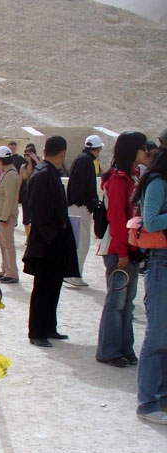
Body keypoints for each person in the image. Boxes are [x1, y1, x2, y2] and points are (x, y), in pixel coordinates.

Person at [96, 131, 148, 368]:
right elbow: (117, 217)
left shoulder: (134, 176)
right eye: (142, 147)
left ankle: (125, 347)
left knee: (128, 302)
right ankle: (109, 350)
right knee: (116, 302)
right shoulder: (118, 179)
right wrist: (123, 251)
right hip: (119, 248)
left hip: (131, 246)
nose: (146, 152)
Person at [22, 136, 80, 347]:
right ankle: (37, 331)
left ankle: (49, 327)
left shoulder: (49, 173)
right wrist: (52, 237)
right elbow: (39, 212)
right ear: (62, 153)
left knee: (53, 285)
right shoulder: (43, 174)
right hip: (47, 243)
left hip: (53, 242)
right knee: (43, 288)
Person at [135, 127, 167, 424]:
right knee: (157, 334)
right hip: (161, 263)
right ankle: (147, 403)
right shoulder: (157, 182)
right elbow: (153, 218)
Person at [65, 135, 105, 287]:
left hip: (77, 207)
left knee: (78, 242)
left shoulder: (82, 159)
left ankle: (73, 273)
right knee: (81, 242)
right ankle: (74, 274)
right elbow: (79, 187)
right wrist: (88, 204)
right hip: (79, 207)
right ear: (97, 149)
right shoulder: (86, 162)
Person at [0, 145, 22, 283]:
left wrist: (4, 217)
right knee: (3, 243)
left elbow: (10, 198)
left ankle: (12, 273)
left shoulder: (10, 175)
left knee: (8, 244)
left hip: (7, 215)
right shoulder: (7, 172)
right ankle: (5, 269)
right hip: (3, 214)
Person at [19, 143, 42, 240]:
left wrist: (35, 159)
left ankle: (34, 238)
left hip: (36, 195)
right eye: (26, 153)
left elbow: (44, 169)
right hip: (26, 195)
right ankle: (28, 238)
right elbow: (20, 182)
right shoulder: (23, 167)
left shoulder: (39, 163)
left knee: (35, 218)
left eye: (30, 152)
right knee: (26, 219)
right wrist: (17, 195)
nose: (27, 155)